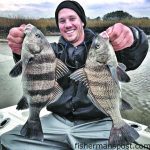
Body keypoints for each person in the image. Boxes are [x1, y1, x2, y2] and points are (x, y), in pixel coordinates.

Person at [1, 1, 149, 150]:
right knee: (7, 140)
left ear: (82, 22)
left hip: (98, 122)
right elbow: (33, 69)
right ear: (58, 25)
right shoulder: (50, 51)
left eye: (72, 18)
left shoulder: (102, 47)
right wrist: (19, 51)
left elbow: (132, 57)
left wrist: (133, 37)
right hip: (56, 122)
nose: (67, 24)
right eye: (62, 21)